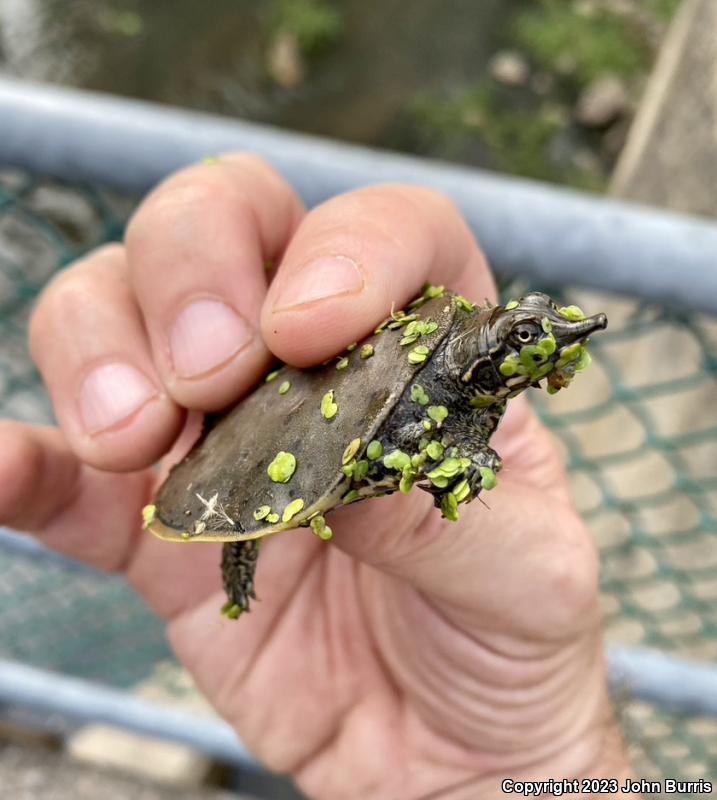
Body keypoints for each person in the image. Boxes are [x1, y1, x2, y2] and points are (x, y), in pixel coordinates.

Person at [0, 155, 638, 799]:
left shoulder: (471, 400)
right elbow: (398, 435)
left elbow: (429, 442)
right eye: (528, 328)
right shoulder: (439, 357)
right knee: (262, 365)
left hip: (506, 751)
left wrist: (554, 759)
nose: (555, 337)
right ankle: (238, 540)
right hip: (273, 453)